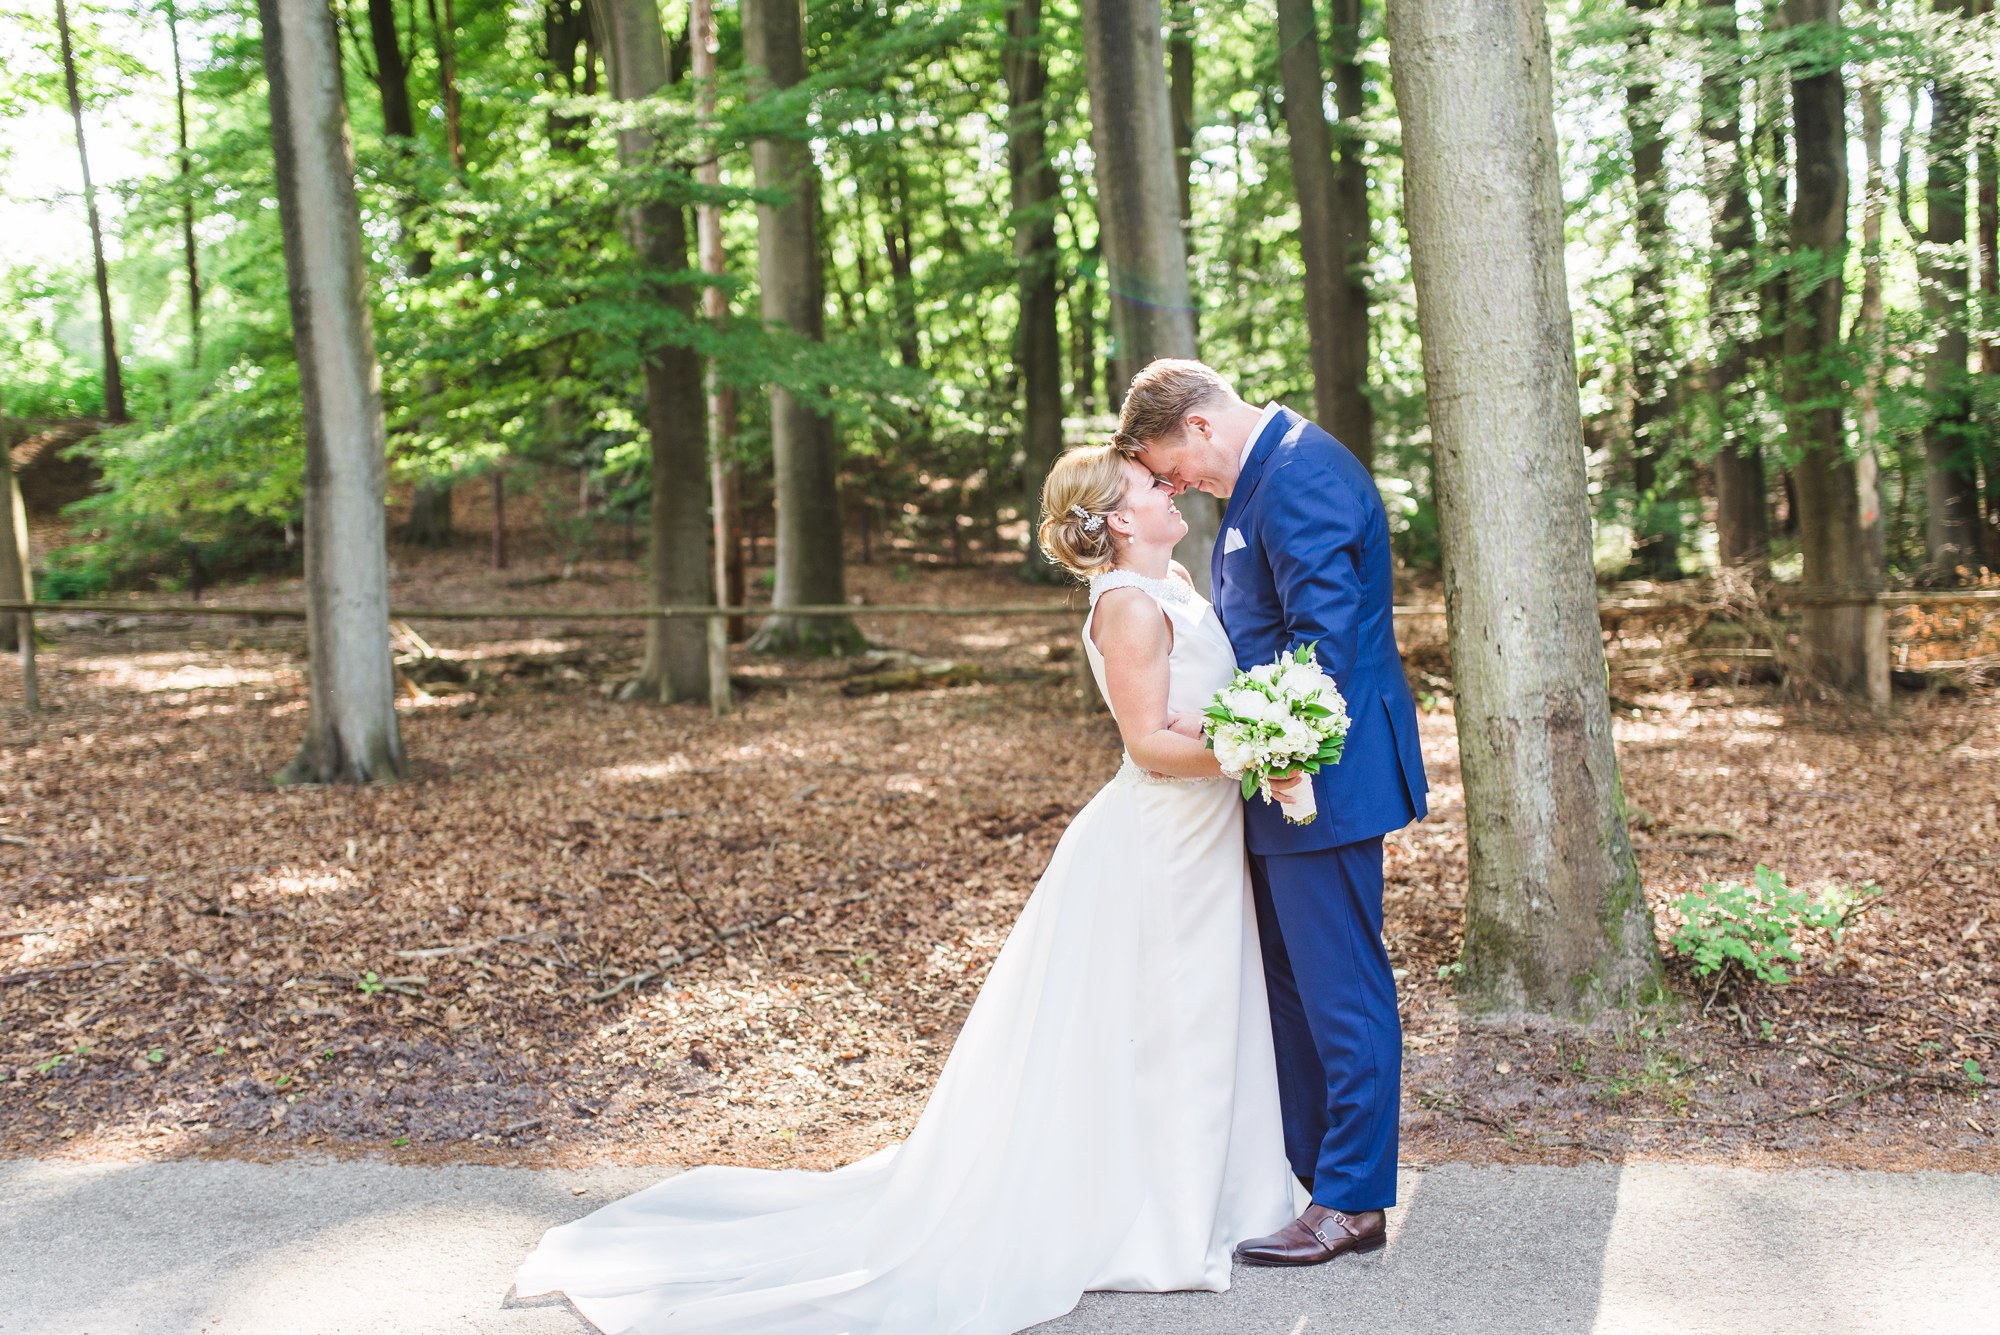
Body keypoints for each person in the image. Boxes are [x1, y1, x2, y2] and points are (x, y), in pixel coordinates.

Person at [514, 443, 1304, 1334]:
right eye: (1152, 486)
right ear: (1120, 519)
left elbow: (1187, 710)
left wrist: (1244, 726)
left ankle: (1213, 1192)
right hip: (1159, 847)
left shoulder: (1174, 589)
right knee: (1164, 1020)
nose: (1170, 490)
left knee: (1192, 1015)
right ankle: (1158, 1215)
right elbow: (1149, 746)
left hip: (1198, 842)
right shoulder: (1126, 606)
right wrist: (1254, 748)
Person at [1115, 358, 1428, 1267]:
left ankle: (1353, 1200)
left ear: (1202, 426)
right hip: (1272, 771)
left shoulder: (1301, 477)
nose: (1177, 486)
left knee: (1340, 987)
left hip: (1322, 777)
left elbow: (1319, 651)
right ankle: (1307, 1171)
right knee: (1288, 985)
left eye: (1173, 466)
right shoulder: (1262, 475)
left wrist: (1234, 733)